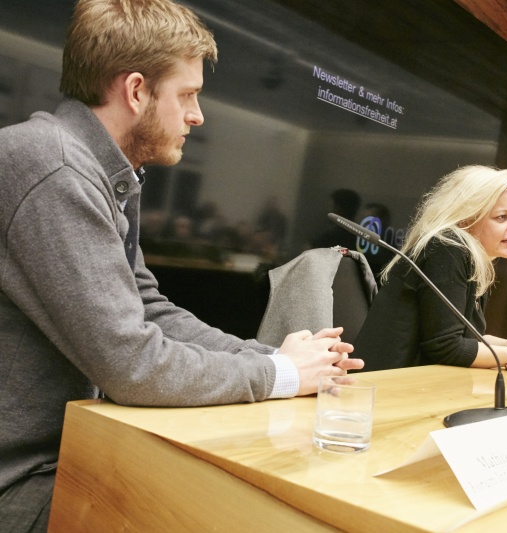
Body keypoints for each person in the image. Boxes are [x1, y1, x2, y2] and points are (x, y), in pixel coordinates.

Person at [0, 1, 362, 530]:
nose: (197, 115)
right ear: (137, 90)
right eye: (188, 95)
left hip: (67, 454)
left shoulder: (96, 167)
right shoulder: (54, 167)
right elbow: (132, 365)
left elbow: (149, 308)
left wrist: (273, 357)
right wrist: (280, 373)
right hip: (21, 483)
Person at [353, 165, 507, 371]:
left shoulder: (470, 256)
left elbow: (468, 338)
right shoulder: (446, 248)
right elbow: (446, 346)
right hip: (386, 387)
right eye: (502, 217)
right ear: (467, 218)